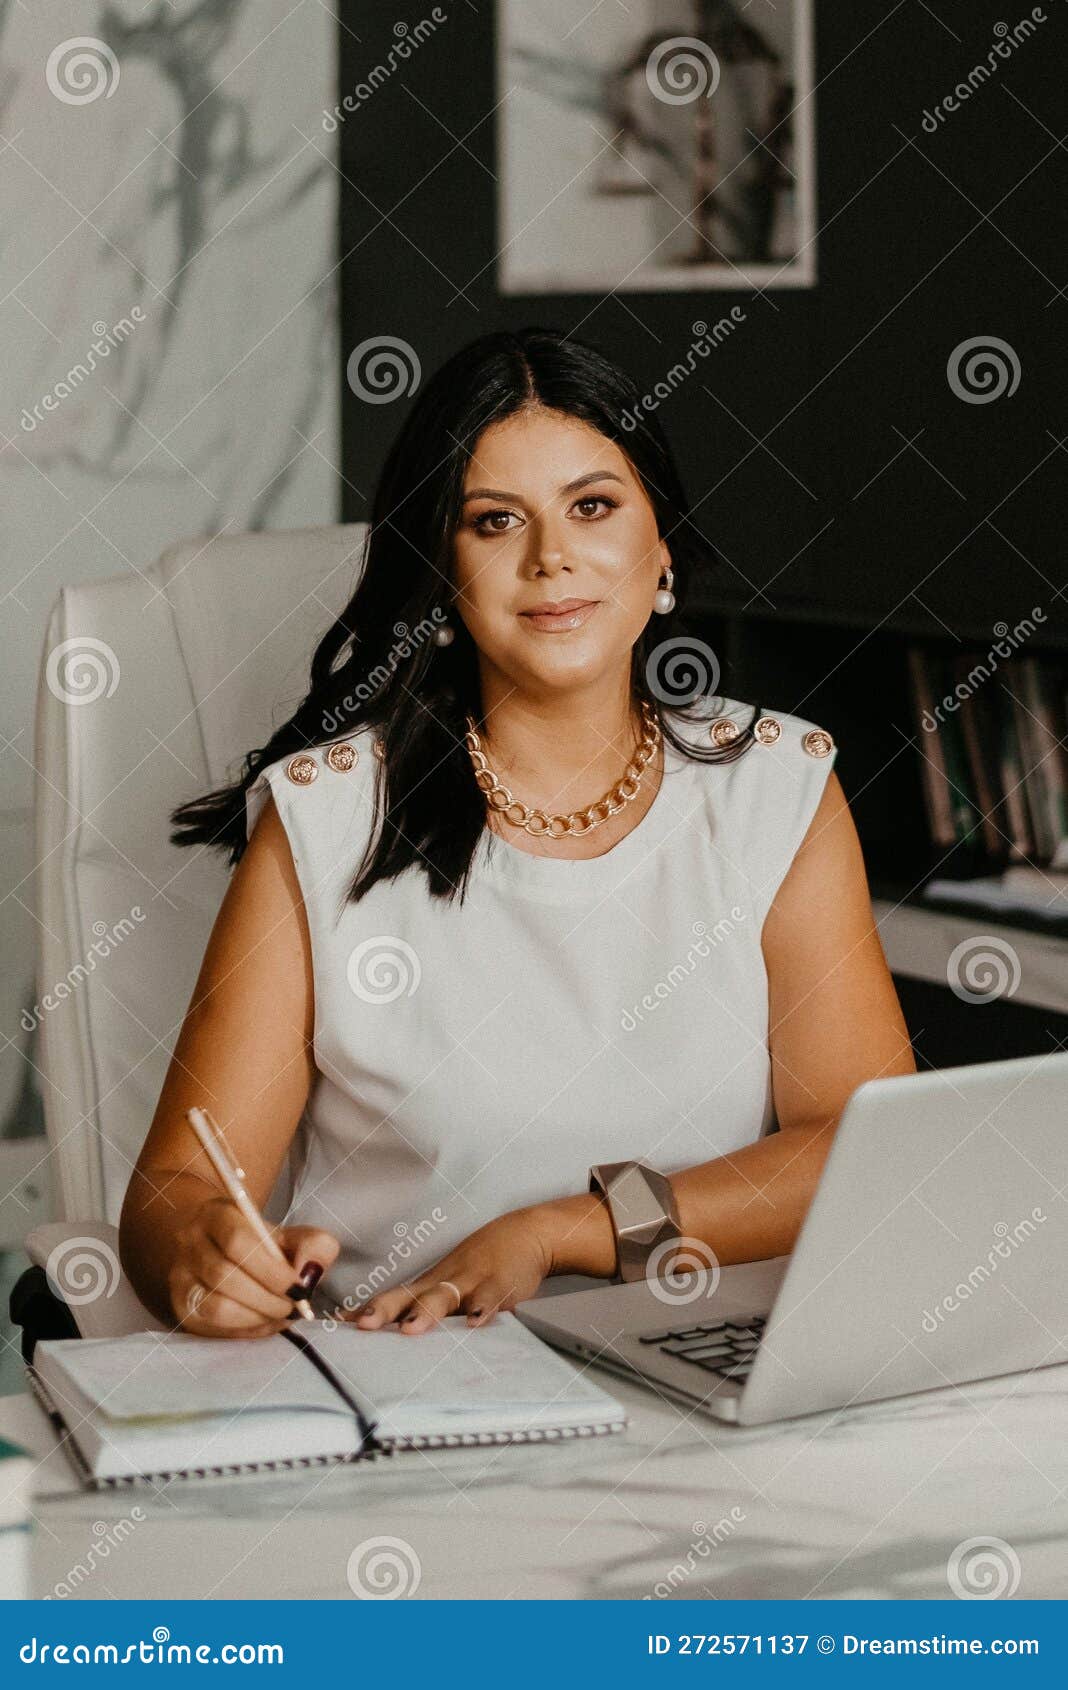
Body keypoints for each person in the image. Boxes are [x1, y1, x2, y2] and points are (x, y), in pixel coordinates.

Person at [118, 327, 915, 1341]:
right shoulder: (325, 821)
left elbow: (860, 1145)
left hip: (702, 1371)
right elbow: (174, 1192)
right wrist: (200, 1253)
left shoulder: (775, 788)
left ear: (660, 546)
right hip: (407, 1380)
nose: (553, 558)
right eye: (496, 521)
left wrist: (564, 1230)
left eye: (593, 506)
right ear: (443, 570)